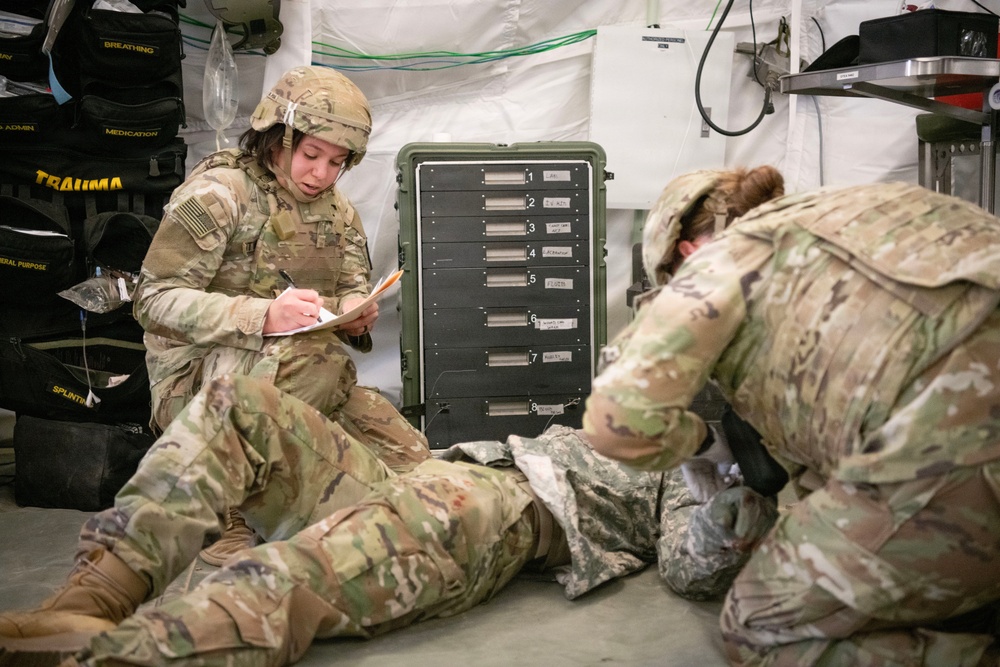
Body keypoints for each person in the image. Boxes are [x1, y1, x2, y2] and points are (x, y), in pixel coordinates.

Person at [0, 373, 776, 664]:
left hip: (493, 515)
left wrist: (730, 502)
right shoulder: (644, 420)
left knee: (294, 572)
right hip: (434, 471)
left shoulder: (701, 474)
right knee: (238, 406)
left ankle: (116, 653)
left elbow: (687, 564)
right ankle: (89, 597)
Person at [583, 166, 1000, 665]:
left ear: (684, 253)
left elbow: (616, 424)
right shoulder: (860, 207)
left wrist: (697, 445)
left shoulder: (722, 258)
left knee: (762, 627)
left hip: (961, 432)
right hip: (956, 424)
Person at [132, 65, 430, 562]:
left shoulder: (336, 212)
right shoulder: (220, 194)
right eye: (311, 154)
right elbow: (153, 300)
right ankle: (229, 508)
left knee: (417, 473)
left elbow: (351, 290)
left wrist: (354, 314)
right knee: (315, 362)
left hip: (303, 377)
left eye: (338, 162)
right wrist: (263, 316)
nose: (322, 174)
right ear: (277, 138)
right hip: (197, 383)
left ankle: (300, 495)